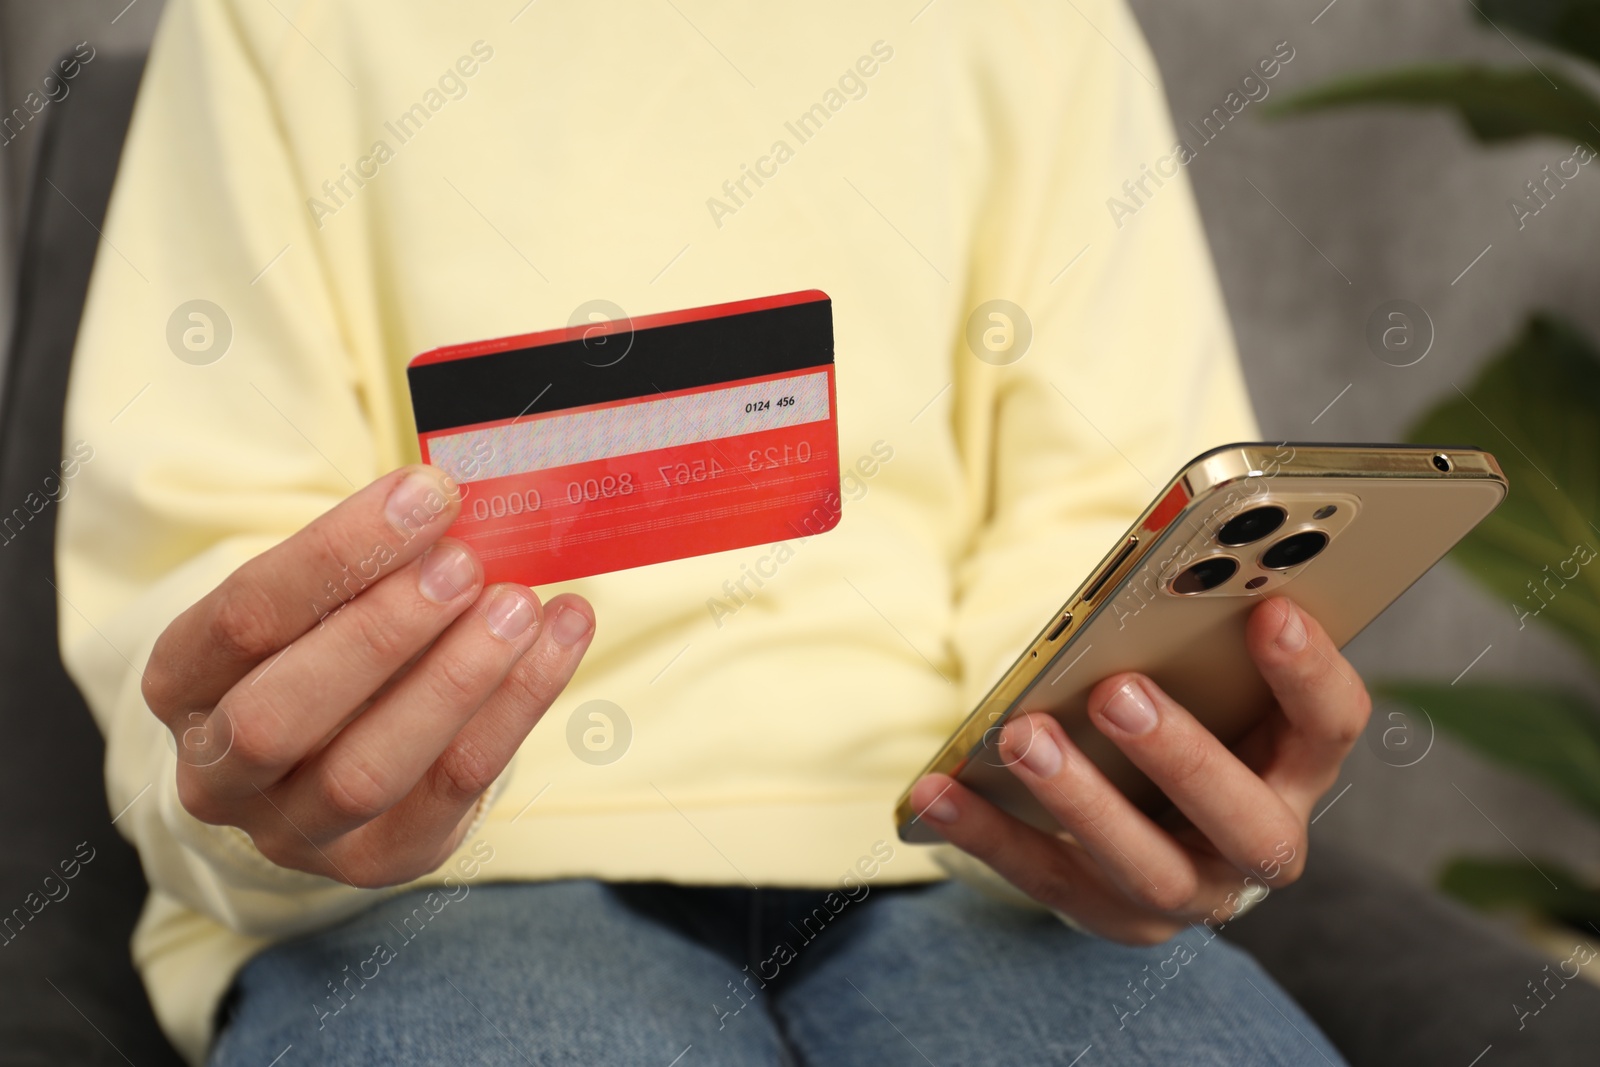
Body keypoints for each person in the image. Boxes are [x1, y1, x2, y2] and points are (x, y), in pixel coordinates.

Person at [58, 1, 1363, 1063]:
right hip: (438, 890)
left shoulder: (1041, 29)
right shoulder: (270, 24)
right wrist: (266, 793)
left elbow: (1109, 519)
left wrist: (1139, 760)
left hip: (970, 859)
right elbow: (207, 589)